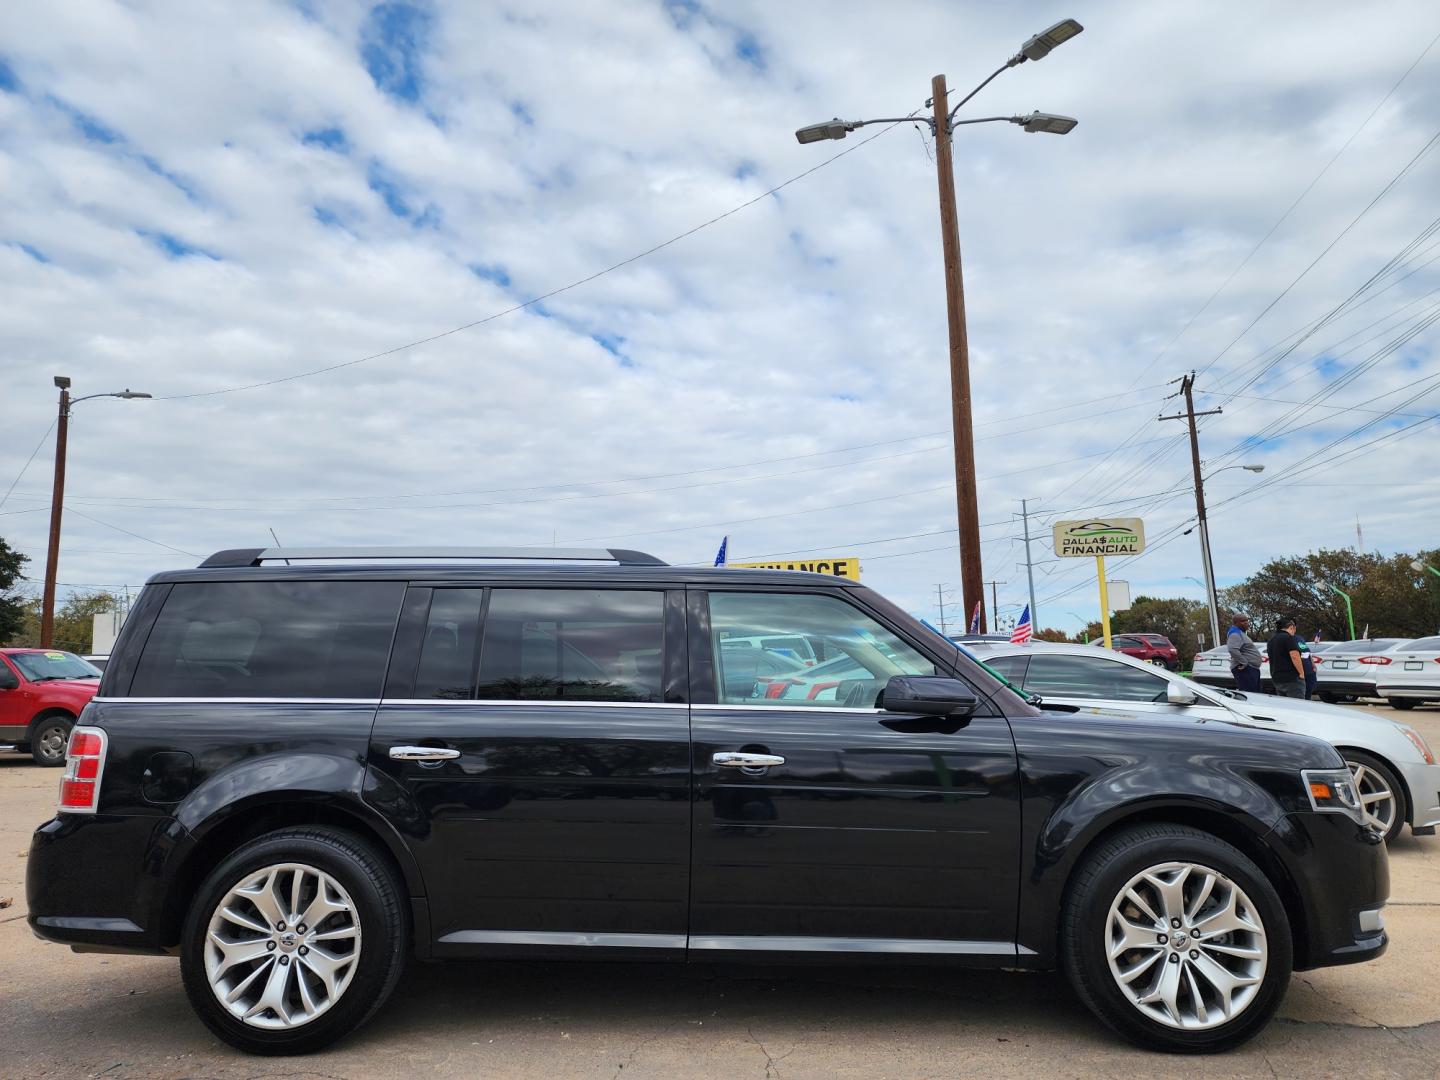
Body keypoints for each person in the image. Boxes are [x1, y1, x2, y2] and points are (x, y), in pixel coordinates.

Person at [1266, 616, 1307, 699]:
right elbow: (1294, 656)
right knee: (1297, 706)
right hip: (1292, 678)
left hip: (1277, 678)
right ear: (1291, 627)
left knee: (1284, 706)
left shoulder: (1271, 640)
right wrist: (1301, 673)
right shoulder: (1288, 638)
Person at [1227, 614, 1263, 693]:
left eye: (1247, 620)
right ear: (1236, 623)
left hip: (1251, 669)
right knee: (1250, 695)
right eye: (1243, 621)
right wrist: (1244, 662)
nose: (1247, 623)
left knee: (1256, 694)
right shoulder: (1235, 633)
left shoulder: (1241, 633)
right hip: (1245, 669)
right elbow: (1232, 649)